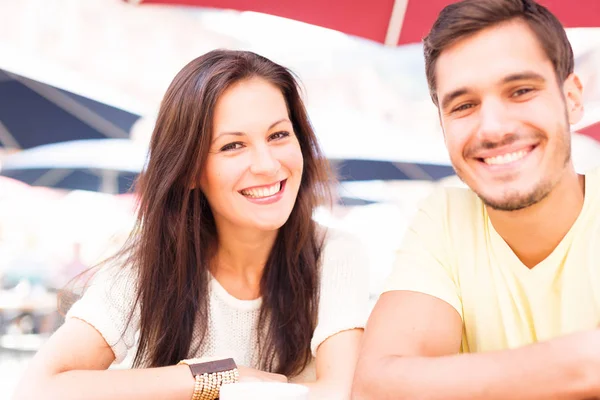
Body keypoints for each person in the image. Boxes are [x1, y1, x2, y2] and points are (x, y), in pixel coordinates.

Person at [13, 49, 369, 400]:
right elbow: (38, 388)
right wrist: (216, 376)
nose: (267, 165)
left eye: (278, 135)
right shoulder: (145, 267)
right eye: (233, 145)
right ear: (190, 171)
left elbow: (339, 391)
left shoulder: (334, 254)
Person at [352, 0, 600, 399]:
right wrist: (585, 363)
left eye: (520, 91)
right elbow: (378, 388)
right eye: (464, 105)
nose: (493, 128)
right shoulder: (446, 219)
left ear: (572, 98)